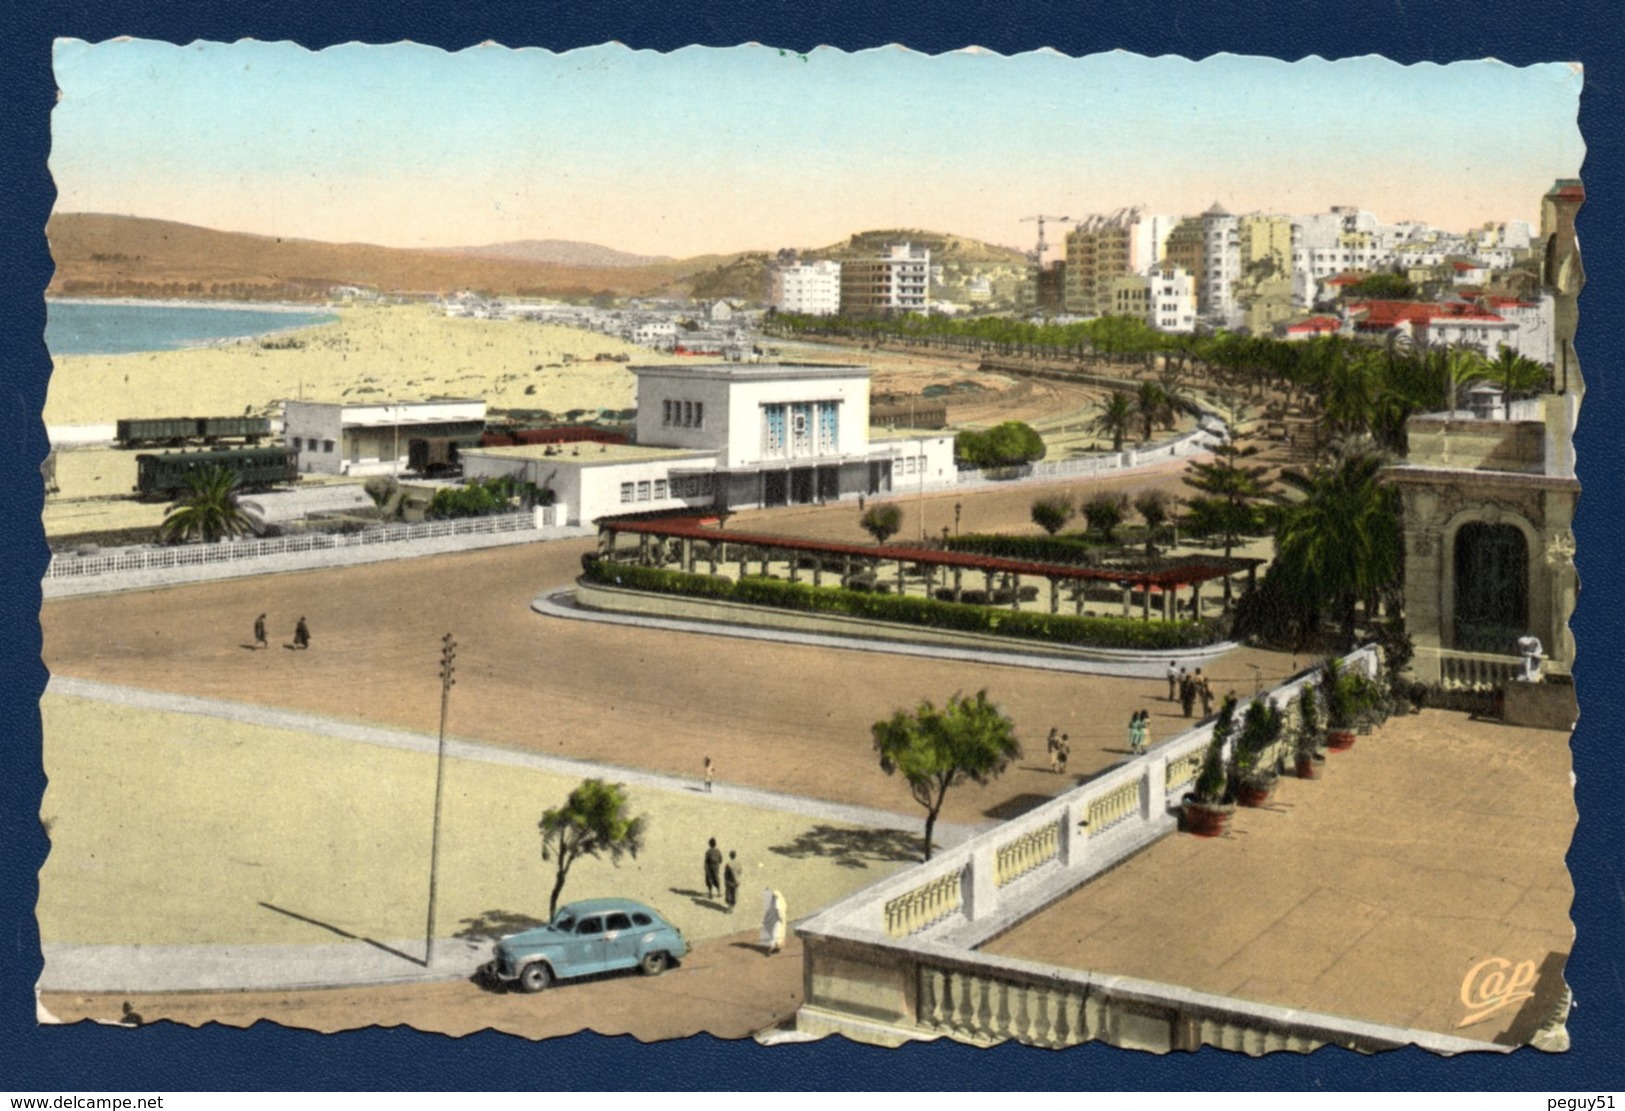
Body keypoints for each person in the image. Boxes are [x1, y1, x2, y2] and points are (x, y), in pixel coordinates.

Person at [759, 888, 788, 954]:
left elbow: (779, 911)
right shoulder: (779, 901)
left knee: (776, 934)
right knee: (776, 935)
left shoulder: (776, 902)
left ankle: (775, 947)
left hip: (777, 921)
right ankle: (773, 947)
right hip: (777, 921)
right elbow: (780, 911)